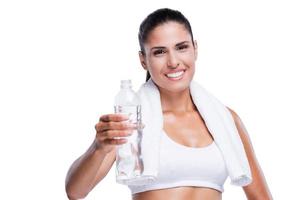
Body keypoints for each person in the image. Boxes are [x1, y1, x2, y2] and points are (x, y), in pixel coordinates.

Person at [65, 8, 272, 200]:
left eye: (181, 47)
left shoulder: (226, 119)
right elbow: (75, 191)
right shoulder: (132, 121)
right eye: (159, 52)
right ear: (143, 60)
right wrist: (98, 147)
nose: (173, 62)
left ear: (195, 49)